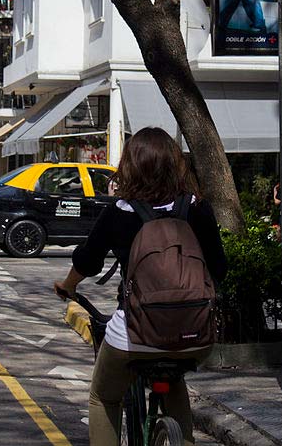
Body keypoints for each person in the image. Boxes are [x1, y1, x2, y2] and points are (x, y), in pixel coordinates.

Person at [53, 127, 227, 446]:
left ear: (129, 166)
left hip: (135, 335)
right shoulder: (197, 207)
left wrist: (67, 286)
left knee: (103, 397)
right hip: (195, 336)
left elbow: (87, 262)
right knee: (173, 379)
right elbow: (220, 267)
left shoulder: (119, 212)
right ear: (176, 165)